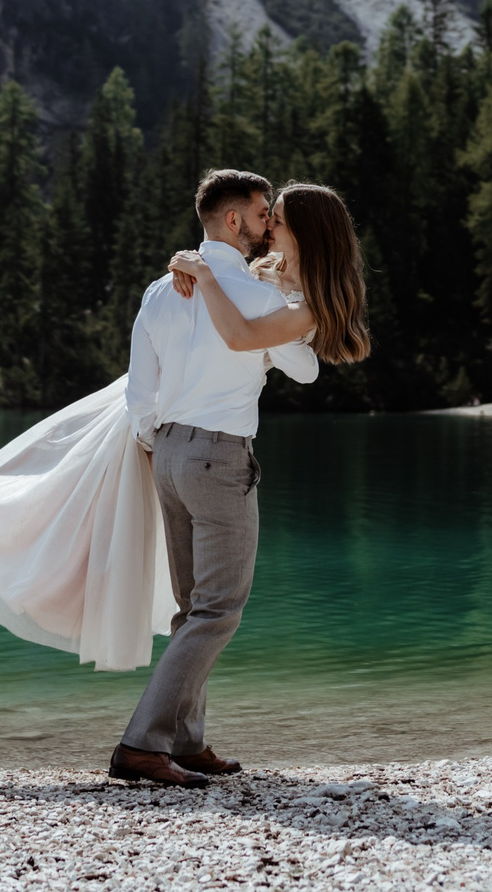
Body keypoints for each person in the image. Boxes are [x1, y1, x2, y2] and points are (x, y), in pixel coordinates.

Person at [108, 174, 369, 787]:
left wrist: (154, 442)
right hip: (219, 458)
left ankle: (185, 740)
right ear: (235, 221)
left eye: (275, 217)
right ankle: (141, 745)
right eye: (262, 214)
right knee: (219, 611)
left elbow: (138, 388)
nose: (268, 225)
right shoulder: (254, 297)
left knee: (191, 609)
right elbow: (302, 370)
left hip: (166, 451)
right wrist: (282, 303)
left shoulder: (162, 288)